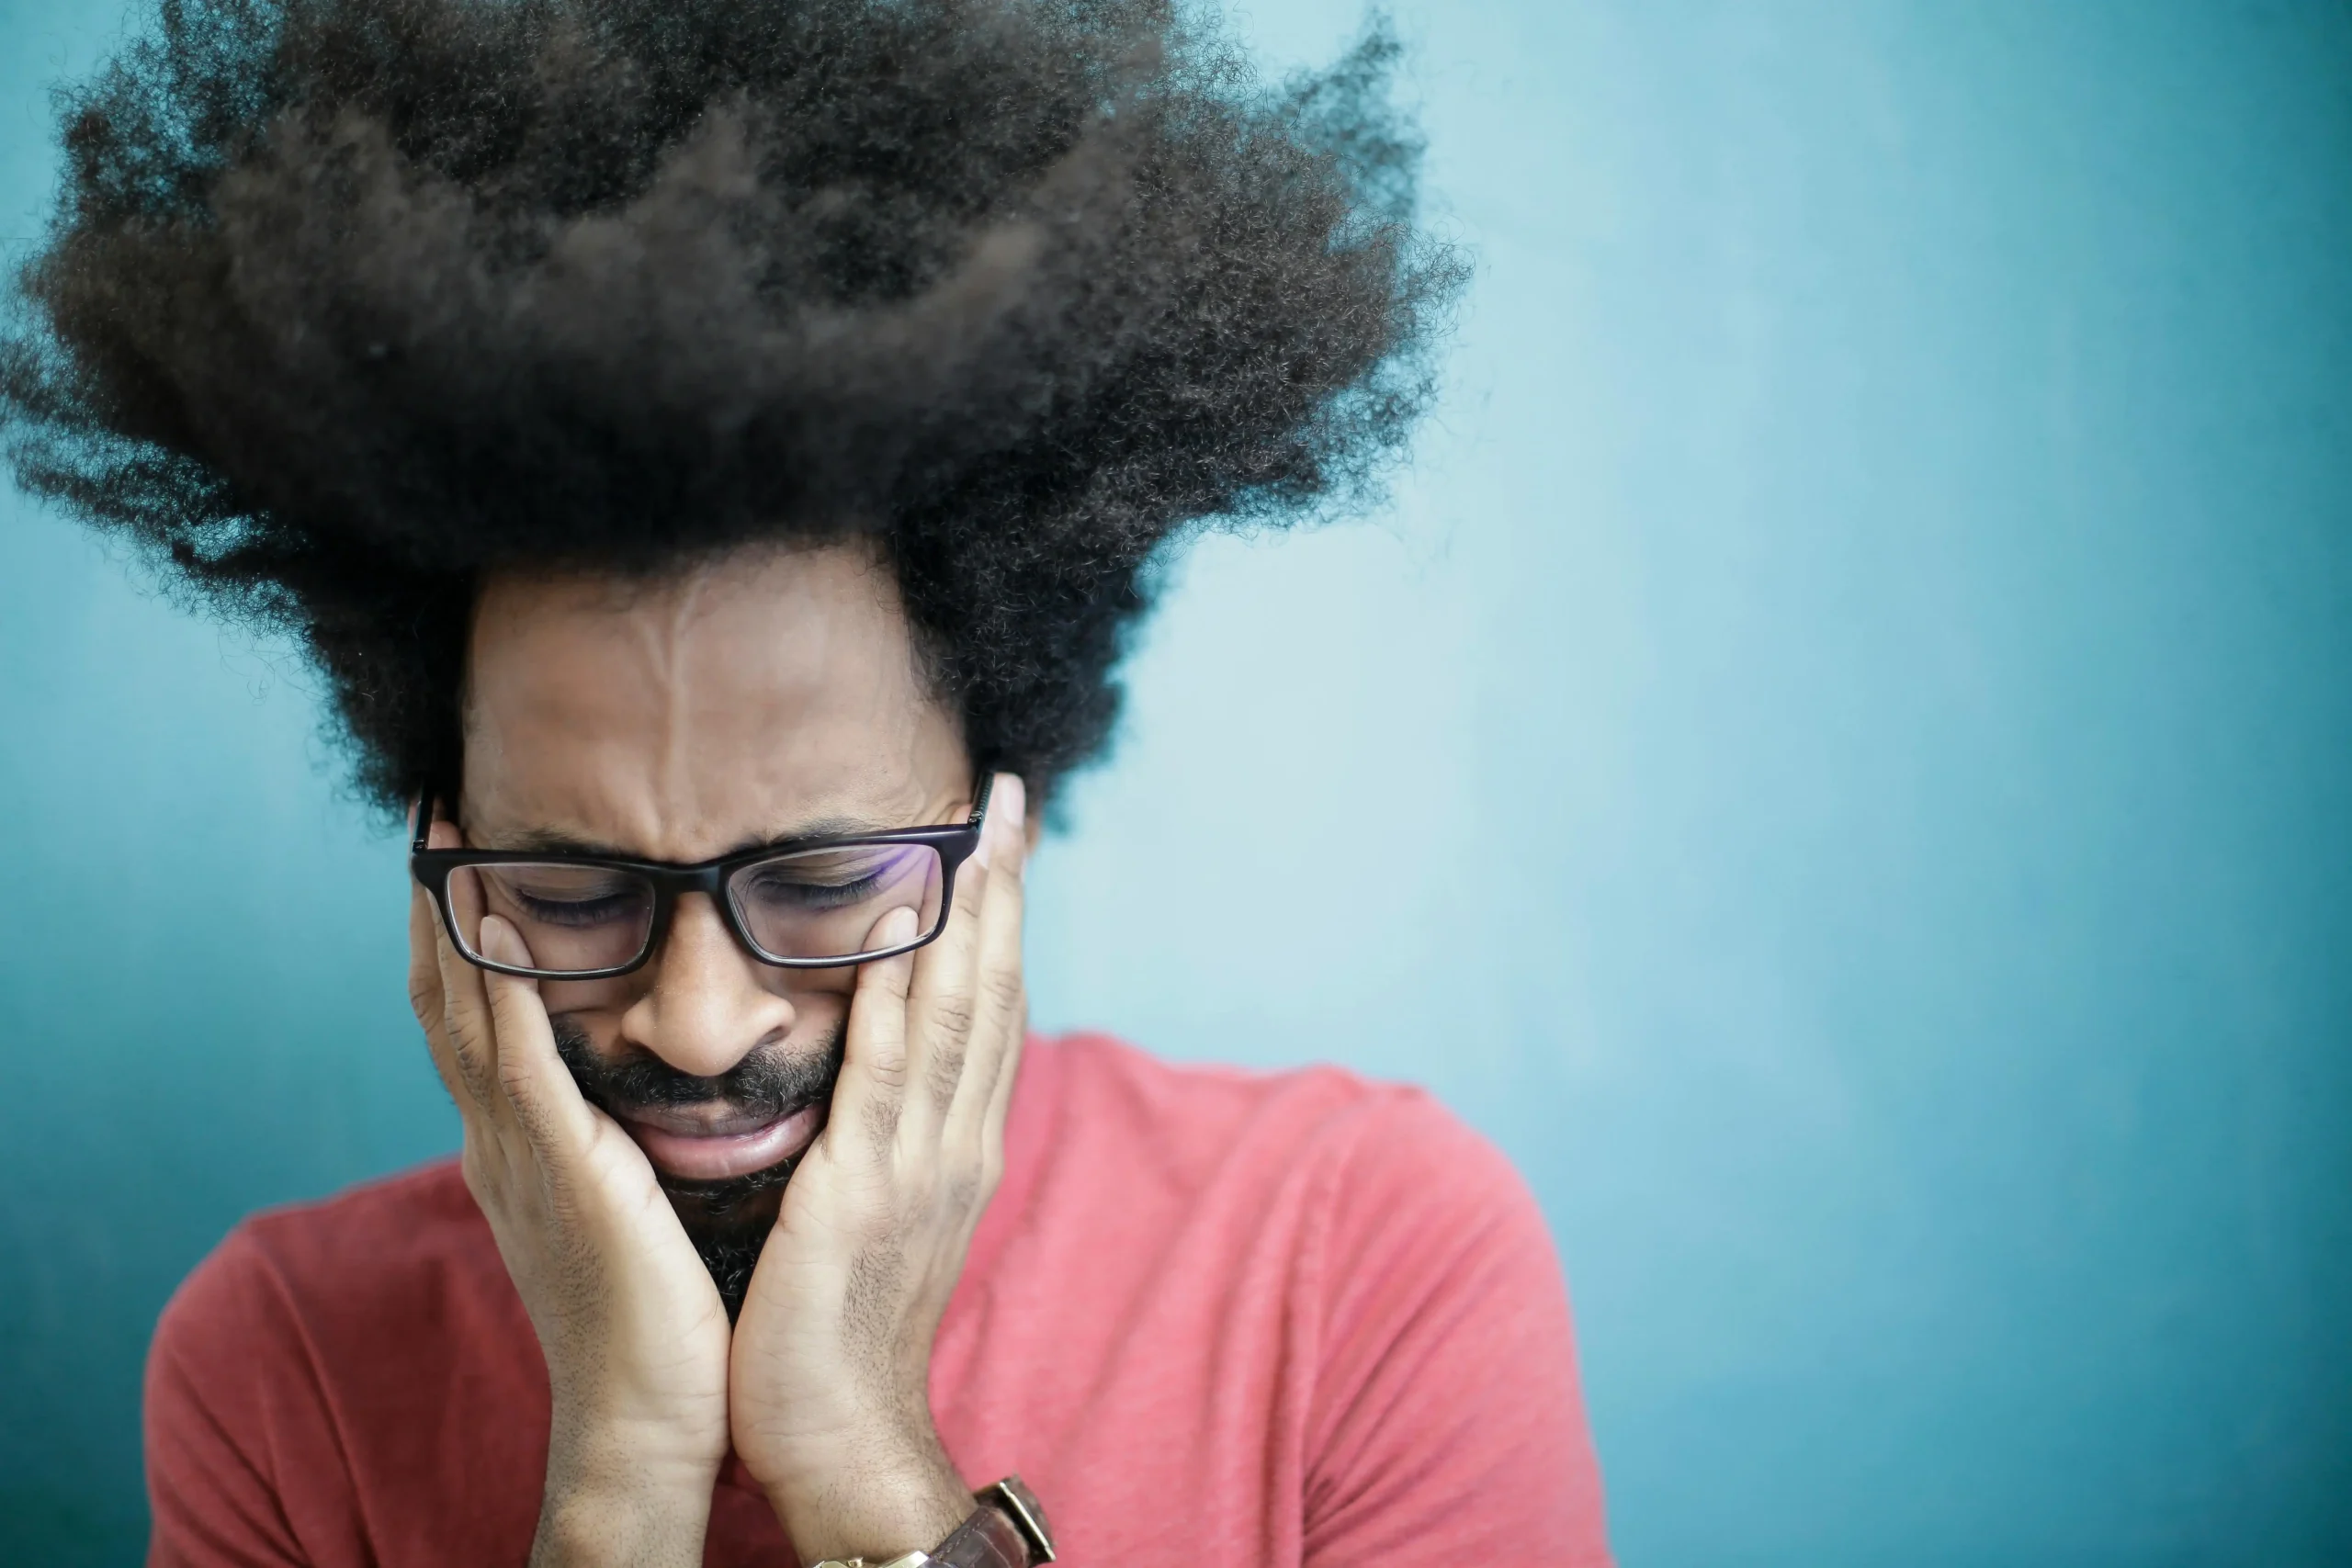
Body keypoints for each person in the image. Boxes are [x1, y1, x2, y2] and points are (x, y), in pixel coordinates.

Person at [1, 0, 1612, 1562]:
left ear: (1001, 831)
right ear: (445, 846)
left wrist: (862, 1455)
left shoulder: (1358, 1262)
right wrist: (623, 1471)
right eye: (568, 889)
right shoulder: (282, 1368)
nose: (699, 1026)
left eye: (827, 882)